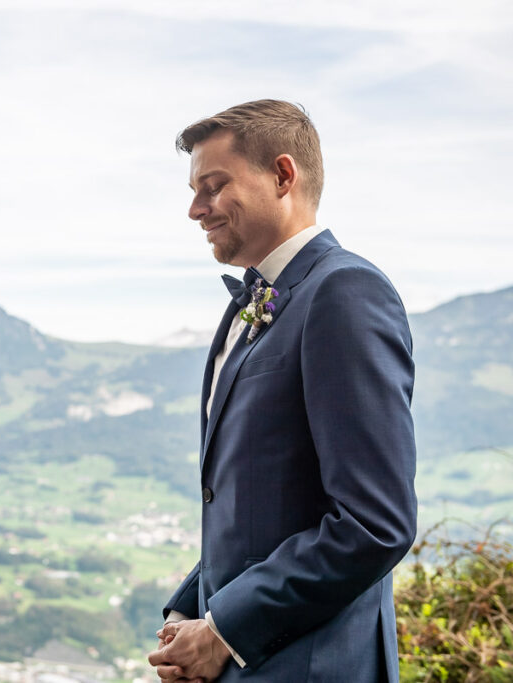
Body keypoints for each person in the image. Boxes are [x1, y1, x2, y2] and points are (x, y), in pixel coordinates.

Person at [147, 100, 417, 682]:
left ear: (283, 175)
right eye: (195, 191)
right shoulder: (251, 304)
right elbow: (254, 510)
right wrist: (189, 611)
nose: (196, 209)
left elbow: (374, 523)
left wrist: (223, 631)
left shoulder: (345, 292)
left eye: (213, 186)